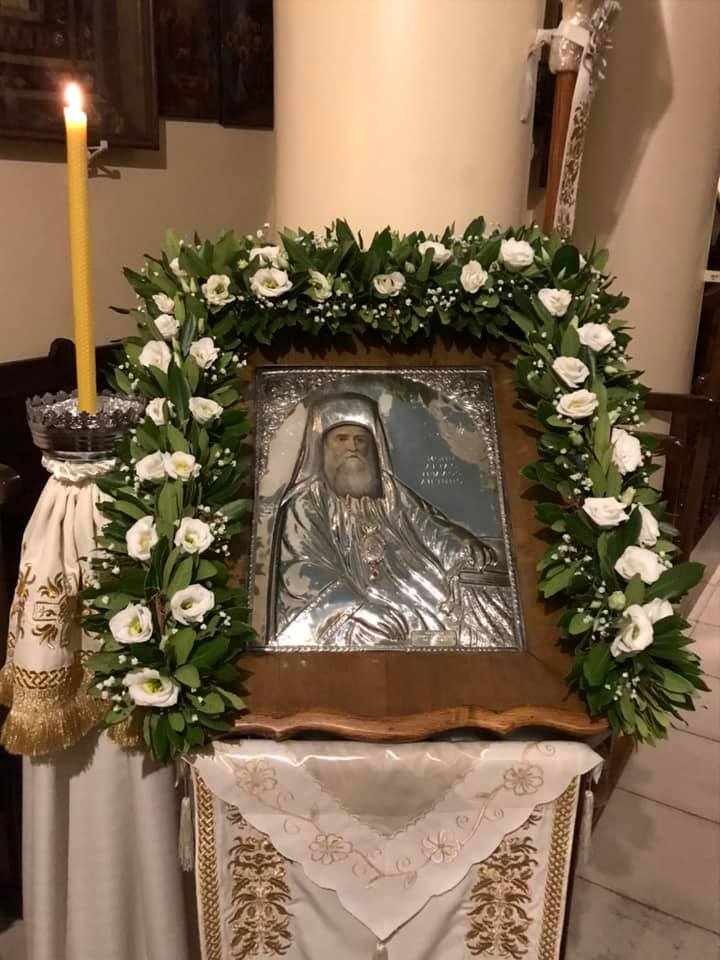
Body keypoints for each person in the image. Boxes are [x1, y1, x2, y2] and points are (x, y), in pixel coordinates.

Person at [268, 393, 517, 649]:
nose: (353, 447)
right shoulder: (305, 501)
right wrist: (356, 608)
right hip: (351, 608)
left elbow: (429, 526)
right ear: (322, 445)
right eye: (342, 439)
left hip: (413, 591)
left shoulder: (388, 489)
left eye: (361, 440)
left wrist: (462, 545)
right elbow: (301, 569)